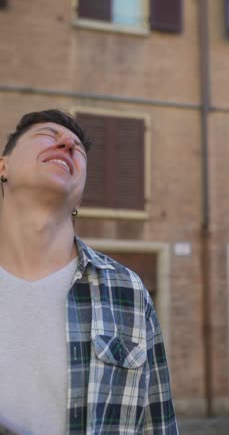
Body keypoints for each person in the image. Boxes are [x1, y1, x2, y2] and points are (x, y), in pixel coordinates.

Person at [0, 109, 179, 434]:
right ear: (4, 166)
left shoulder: (129, 292)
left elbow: (159, 425)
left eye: (78, 149)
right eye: (47, 135)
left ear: (81, 190)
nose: (68, 143)